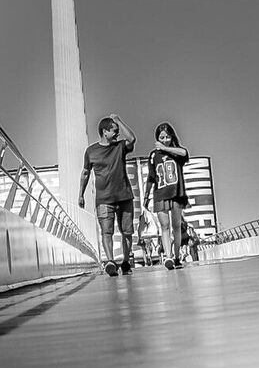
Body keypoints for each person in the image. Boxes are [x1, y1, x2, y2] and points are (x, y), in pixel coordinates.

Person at [78, 113, 137, 276]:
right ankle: (110, 261)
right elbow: (85, 173)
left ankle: (125, 262)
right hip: (104, 199)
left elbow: (132, 139)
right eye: (114, 130)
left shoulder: (120, 147)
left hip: (125, 196)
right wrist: (81, 194)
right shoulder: (91, 151)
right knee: (107, 231)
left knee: (127, 232)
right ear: (105, 131)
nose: (118, 134)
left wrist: (118, 120)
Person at [143, 121, 190, 270]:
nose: (164, 140)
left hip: (176, 193)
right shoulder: (153, 155)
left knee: (176, 225)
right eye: (162, 137)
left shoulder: (176, 152)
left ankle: (176, 256)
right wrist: (146, 196)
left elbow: (185, 153)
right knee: (164, 226)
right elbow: (151, 178)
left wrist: (166, 148)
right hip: (160, 193)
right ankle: (168, 257)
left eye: (167, 137)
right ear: (157, 138)